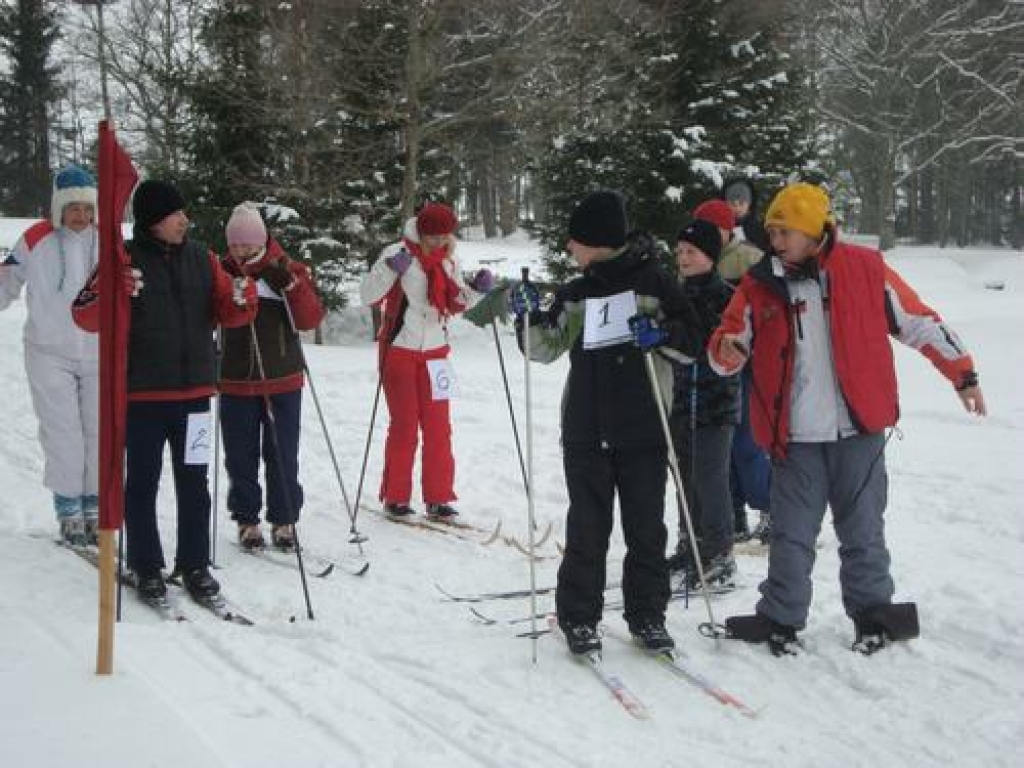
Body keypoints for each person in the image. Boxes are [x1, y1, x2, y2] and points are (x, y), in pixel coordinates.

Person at [708, 182, 986, 655]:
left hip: (859, 429)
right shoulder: (759, 283)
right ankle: (779, 617)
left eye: (785, 232)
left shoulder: (866, 269)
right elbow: (725, 343)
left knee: (863, 530)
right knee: (791, 533)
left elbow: (920, 323)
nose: (776, 241)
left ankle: (874, 614)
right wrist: (727, 352)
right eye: (772, 233)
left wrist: (963, 374)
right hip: (794, 435)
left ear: (812, 230)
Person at [511, 190, 702, 656]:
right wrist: (527, 315)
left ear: (596, 241)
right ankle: (579, 617)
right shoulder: (577, 293)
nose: (568, 247)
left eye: (574, 240)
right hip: (587, 427)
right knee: (587, 528)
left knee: (646, 529)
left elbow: (693, 341)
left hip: (645, 427)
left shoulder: (656, 284)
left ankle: (648, 614)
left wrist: (661, 335)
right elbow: (543, 348)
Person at [73, 180, 258, 601]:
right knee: (142, 483)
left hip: (195, 396)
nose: (184, 220)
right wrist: (113, 290)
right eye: (176, 214)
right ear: (154, 219)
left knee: (195, 484)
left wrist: (241, 298)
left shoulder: (203, 258)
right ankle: (145, 565)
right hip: (144, 396)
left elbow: (229, 313)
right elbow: (83, 316)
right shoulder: (123, 259)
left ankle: (195, 564)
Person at [360, 203, 491, 520]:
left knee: (439, 428)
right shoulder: (397, 253)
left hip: (436, 352)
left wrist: (476, 291)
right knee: (405, 427)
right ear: (420, 232)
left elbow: (454, 301)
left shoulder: (449, 259)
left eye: (444, 236)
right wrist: (390, 270)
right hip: (400, 350)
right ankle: (396, 497)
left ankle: (438, 497)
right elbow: (367, 295)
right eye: (433, 236)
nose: (439, 242)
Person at [0, 165, 100, 546]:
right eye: (73, 208)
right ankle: (69, 507)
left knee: (97, 430)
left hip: (97, 352)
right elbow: (7, 281)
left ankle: (93, 503)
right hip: (48, 351)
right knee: (63, 432)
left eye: (87, 209)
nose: (81, 216)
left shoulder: (106, 241)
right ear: (59, 207)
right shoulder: (35, 238)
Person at [217, 203, 325, 551]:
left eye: (246, 244)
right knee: (240, 455)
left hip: (282, 378)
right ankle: (247, 519)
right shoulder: (221, 270)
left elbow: (310, 318)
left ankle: (284, 519)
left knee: (282, 452)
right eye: (234, 244)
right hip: (235, 378)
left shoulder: (284, 267)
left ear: (261, 241)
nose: (240, 251)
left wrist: (291, 286)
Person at [664, 219, 740, 590]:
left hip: (715, 402)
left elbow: (723, 341)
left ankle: (719, 553)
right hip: (681, 399)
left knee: (710, 478)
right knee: (685, 475)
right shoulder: (675, 294)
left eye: (691, 252)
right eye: (679, 251)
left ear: (710, 255)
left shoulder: (726, 295)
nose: (683, 258)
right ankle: (690, 542)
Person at [693, 199, 771, 542]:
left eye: (714, 229)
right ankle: (733, 514)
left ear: (727, 230)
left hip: (748, 363)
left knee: (747, 442)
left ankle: (771, 509)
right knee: (722, 447)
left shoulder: (748, 258)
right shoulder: (697, 258)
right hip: (713, 366)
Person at [721, 177, 770, 252]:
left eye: (741, 203)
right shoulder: (720, 229)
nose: (737, 207)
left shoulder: (761, 230)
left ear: (750, 203)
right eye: (732, 203)